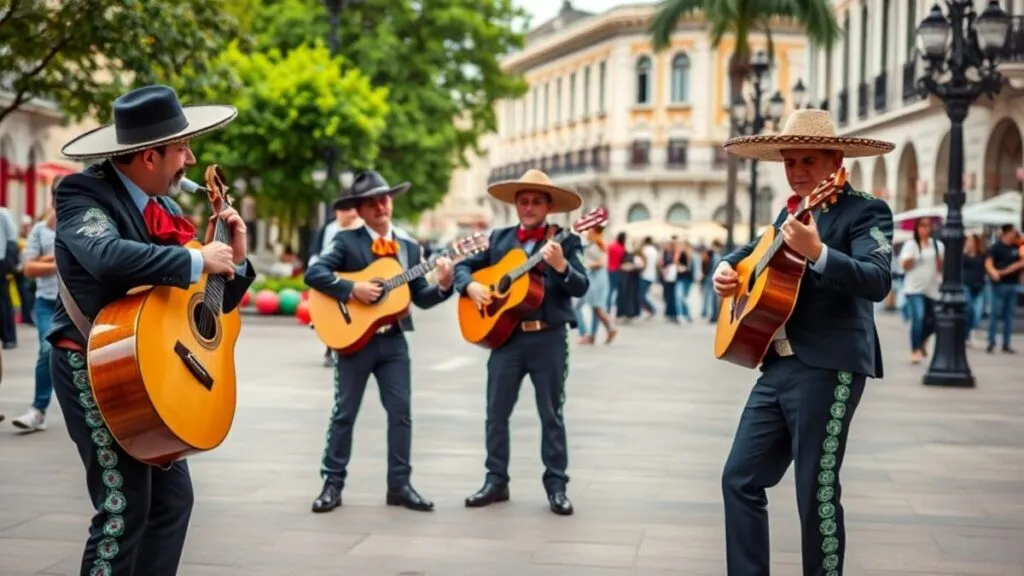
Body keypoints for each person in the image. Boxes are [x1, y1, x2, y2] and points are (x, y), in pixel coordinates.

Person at [49, 85, 254, 576]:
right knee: (124, 509)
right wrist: (196, 257)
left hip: (150, 373)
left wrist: (234, 260)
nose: (191, 158)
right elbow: (105, 256)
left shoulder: (161, 207)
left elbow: (203, 307)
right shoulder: (82, 194)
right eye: (182, 147)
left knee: (171, 503)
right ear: (148, 156)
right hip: (93, 366)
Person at [713, 109, 895, 576]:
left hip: (830, 366)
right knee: (739, 478)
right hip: (776, 365)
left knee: (815, 490)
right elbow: (756, 250)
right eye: (789, 162)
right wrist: (727, 268)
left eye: (807, 160)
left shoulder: (866, 210)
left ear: (836, 161)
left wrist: (819, 253)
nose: (796, 171)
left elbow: (877, 280)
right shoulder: (791, 211)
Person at [304, 170, 454, 514]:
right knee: (345, 413)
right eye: (372, 201)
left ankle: (399, 486)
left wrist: (445, 284)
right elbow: (314, 273)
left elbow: (422, 297)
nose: (381, 205)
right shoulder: (345, 240)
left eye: (385, 198)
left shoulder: (409, 247)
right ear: (360, 208)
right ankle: (332, 484)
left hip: (394, 342)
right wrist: (352, 289)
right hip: (355, 340)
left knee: (401, 413)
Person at [453, 169, 589, 516]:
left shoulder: (566, 240)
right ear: (516, 205)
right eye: (523, 201)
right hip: (506, 338)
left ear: (549, 207)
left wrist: (560, 267)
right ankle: (495, 481)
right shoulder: (498, 239)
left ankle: (556, 486)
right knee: (495, 414)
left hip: (549, 337)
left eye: (536, 202)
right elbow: (462, 269)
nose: (529, 207)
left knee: (551, 414)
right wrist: (470, 286)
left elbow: (581, 286)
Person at [11, 188, 59, 432]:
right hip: (47, 303)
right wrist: (56, 261)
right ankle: (38, 410)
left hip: (80, 304)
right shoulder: (40, 231)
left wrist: (46, 260)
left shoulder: (82, 225)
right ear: (52, 198)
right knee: (46, 348)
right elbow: (28, 269)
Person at [309, 198, 364, 367]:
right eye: (345, 210)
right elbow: (316, 254)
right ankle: (330, 348)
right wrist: (317, 274)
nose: (351, 214)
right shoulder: (330, 229)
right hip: (330, 279)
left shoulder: (363, 229)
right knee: (332, 315)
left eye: (353, 209)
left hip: (355, 280)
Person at [985, 223, 1023, 354]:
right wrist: (994, 272)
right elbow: (988, 262)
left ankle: (1006, 343)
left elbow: (1021, 263)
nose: (1015, 234)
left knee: (1009, 315)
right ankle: (991, 341)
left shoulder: (1016, 247)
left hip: (1013, 284)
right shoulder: (996, 247)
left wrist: (1007, 271)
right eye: (1013, 232)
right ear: (1006, 233)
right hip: (999, 285)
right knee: (995, 314)